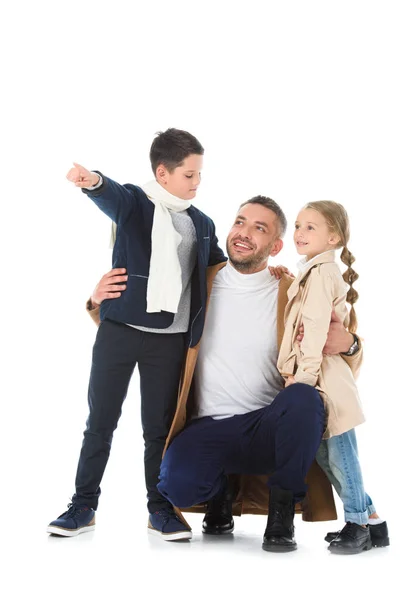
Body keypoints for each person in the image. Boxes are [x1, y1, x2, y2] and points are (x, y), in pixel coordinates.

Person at [151, 196, 362, 552]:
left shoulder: (294, 289)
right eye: (240, 222)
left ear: (276, 246)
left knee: (304, 397)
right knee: (176, 484)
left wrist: (350, 343)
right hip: (208, 425)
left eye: (259, 228)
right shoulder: (200, 283)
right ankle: (221, 493)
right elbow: (150, 322)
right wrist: (100, 305)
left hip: (270, 428)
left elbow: (340, 357)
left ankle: (280, 516)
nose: (244, 233)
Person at [47, 128, 226, 540]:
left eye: (200, 174)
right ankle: (83, 505)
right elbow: (111, 194)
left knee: (158, 430)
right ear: (162, 174)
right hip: (120, 332)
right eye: (189, 175)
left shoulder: (202, 224)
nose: (197, 183)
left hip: (170, 340)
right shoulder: (136, 206)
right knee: (100, 423)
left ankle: (160, 509)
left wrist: (268, 271)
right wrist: (91, 180)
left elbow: (221, 272)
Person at [277, 200, 389, 554]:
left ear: (334, 237)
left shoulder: (324, 273)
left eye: (311, 226)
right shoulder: (314, 272)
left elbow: (313, 331)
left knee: (341, 456)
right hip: (320, 376)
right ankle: (373, 522)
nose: (300, 232)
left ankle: (356, 524)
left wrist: (304, 380)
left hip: (325, 380)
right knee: (327, 458)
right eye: (297, 225)